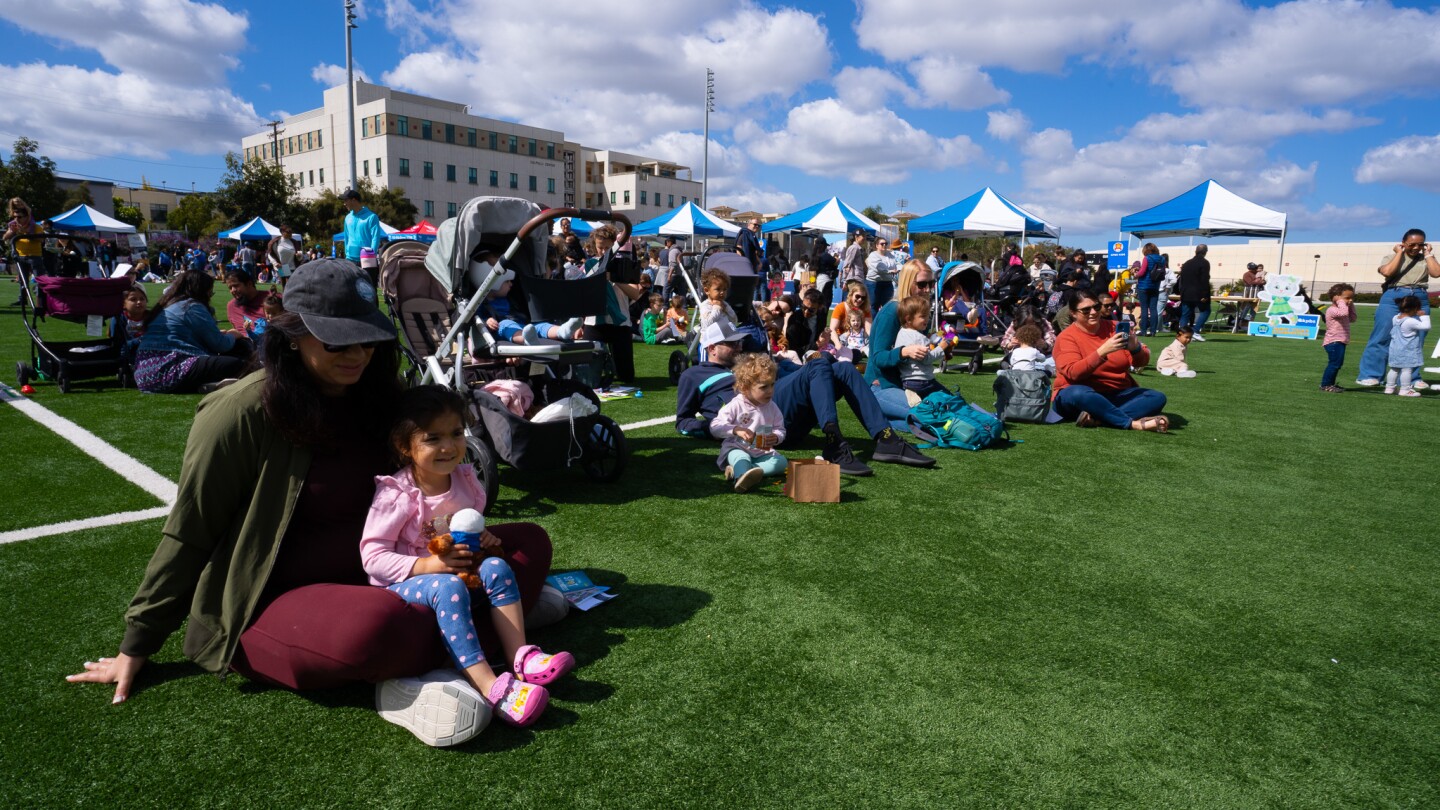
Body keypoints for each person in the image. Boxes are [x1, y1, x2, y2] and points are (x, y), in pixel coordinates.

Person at [67, 260, 562, 742]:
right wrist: (139, 642)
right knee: (375, 629)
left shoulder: (380, 399)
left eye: (368, 339)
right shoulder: (240, 412)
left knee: (527, 545)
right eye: (336, 341)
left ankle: (478, 635)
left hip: (393, 574)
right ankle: (474, 643)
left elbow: (425, 488)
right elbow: (190, 531)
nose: (358, 354)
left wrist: (448, 544)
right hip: (284, 599)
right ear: (291, 334)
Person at [361, 386, 573, 735]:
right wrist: (424, 566)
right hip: (408, 584)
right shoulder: (397, 494)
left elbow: (469, 525)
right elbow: (373, 557)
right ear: (405, 447)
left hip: (462, 572)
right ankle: (489, 685)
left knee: (497, 566)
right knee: (446, 587)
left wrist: (484, 538)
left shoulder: (464, 477)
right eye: (433, 438)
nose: (449, 446)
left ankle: (520, 655)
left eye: (456, 433)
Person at [677, 320, 934, 475]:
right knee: (819, 364)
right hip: (757, 420)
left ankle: (885, 438)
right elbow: (683, 421)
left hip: (781, 410)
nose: (738, 347)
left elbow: (797, 373)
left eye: (738, 342)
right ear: (711, 348)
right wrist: (721, 428)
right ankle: (834, 441)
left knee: (842, 368)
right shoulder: (694, 375)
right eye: (730, 344)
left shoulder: (747, 362)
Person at [1051, 292, 1169, 431]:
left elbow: (1140, 363)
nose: (1093, 312)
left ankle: (1099, 419)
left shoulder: (1115, 327)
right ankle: (1132, 424)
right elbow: (1073, 373)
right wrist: (1102, 352)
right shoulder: (1067, 337)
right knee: (1077, 393)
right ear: (1073, 313)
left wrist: (1135, 349)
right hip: (1080, 395)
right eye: (1086, 310)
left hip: (1116, 392)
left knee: (1157, 397)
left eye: (1096, 307)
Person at [133, 271, 253, 394]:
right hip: (171, 369)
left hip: (145, 375)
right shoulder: (191, 306)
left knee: (223, 362)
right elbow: (221, 345)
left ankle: (209, 383)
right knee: (239, 364)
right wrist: (233, 334)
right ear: (202, 290)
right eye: (210, 292)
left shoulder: (167, 304)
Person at [1356, 228, 1439, 387]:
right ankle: (1370, 375)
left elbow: (1436, 273)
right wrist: (1399, 253)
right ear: (1403, 243)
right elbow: (1387, 272)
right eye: (1411, 244)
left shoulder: (1426, 258)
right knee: (1382, 336)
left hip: (1419, 296)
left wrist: (1428, 254)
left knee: (1416, 339)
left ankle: (1411, 378)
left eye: (1420, 244)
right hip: (1394, 295)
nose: (1416, 248)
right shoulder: (1391, 257)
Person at [709, 352, 788, 493]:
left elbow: (780, 429)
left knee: (782, 463)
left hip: (761, 452)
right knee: (741, 456)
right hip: (737, 447)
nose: (770, 391)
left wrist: (776, 437)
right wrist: (735, 429)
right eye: (764, 387)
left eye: (772, 385)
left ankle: (747, 472)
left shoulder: (773, 407)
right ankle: (741, 477)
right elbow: (715, 426)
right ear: (745, 388)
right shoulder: (736, 405)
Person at [893, 295, 948, 400]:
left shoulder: (901, 332)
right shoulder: (919, 337)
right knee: (947, 397)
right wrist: (941, 348)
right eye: (923, 316)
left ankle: (912, 393)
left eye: (928, 315)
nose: (927, 319)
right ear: (908, 319)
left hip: (907, 380)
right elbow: (927, 359)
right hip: (923, 381)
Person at [1385, 295, 1430, 397]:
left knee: (1394, 369)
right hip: (1407, 349)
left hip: (1394, 348)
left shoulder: (1395, 318)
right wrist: (1424, 316)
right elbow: (1426, 326)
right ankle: (1405, 389)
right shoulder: (1410, 321)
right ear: (1414, 308)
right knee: (1407, 369)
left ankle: (1389, 388)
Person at [3, 197, 44, 302]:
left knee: (39, 280)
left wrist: (26, 232)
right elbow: (4, 237)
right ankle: (22, 299)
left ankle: (40, 303)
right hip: (20, 256)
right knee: (22, 281)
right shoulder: (14, 225)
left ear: (26, 217)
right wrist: (12, 232)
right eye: (15, 217)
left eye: (20, 217)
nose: (17, 219)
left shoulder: (35, 226)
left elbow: (41, 239)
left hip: (34, 256)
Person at [1320, 283, 1356, 393]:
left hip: (1340, 341)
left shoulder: (1343, 309)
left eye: (1352, 298)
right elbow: (1344, 313)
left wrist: (1351, 305)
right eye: (1347, 298)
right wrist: (1340, 301)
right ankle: (1325, 384)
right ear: (1336, 297)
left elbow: (1353, 318)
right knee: (1334, 364)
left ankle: (1331, 383)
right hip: (1333, 342)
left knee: (1337, 364)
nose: (1350, 300)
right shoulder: (1332, 310)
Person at [342, 189, 383, 281]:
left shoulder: (372, 217)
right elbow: (346, 237)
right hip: (350, 259)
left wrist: (371, 256)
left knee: (370, 288)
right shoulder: (347, 218)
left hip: (367, 259)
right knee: (350, 289)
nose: (344, 204)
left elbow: (375, 238)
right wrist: (346, 254)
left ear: (354, 200)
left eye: (346, 200)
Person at [1177, 245, 1211, 341]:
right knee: (1205, 311)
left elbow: (1182, 280)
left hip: (1186, 293)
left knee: (1185, 314)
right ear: (1205, 252)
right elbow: (1204, 279)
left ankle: (1182, 334)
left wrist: (1181, 293)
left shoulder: (1187, 263)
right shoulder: (1204, 263)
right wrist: (1205, 294)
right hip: (1199, 293)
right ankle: (1195, 331)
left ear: (1195, 251)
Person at [224, 266, 271, 335]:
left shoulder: (271, 298)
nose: (233, 290)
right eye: (230, 288)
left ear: (249, 284)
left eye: (236, 286)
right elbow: (236, 328)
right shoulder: (232, 306)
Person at [1133, 243, 1166, 336]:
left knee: (1144, 309)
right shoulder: (1162, 259)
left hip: (1143, 286)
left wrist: (1136, 274)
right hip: (1155, 286)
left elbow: (1142, 272)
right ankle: (1153, 331)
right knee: (1153, 309)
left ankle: (1143, 330)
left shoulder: (1147, 258)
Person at [698, 266, 738, 332]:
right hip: (711, 339)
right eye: (718, 289)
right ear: (707, 290)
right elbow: (707, 324)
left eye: (724, 289)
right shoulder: (705, 305)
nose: (722, 292)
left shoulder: (724, 304)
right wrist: (716, 308)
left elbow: (734, 321)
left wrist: (727, 309)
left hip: (725, 336)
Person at [865, 237, 898, 309]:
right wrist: (889, 271)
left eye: (886, 243)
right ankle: (874, 320)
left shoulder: (890, 255)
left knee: (888, 306)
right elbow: (878, 268)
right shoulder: (873, 255)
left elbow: (895, 265)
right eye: (882, 244)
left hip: (887, 283)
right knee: (874, 306)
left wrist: (897, 269)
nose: (884, 245)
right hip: (874, 283)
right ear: (877, 245)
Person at [267, 224, 299, 291]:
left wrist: (299, 256)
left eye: (291, 232)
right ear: (282, 232)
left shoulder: (294, 242)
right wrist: (275, 263)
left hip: (293, 267)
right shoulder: (276, 242)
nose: (290, 234)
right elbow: (269, 254)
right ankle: (285, 300)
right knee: (285, 288)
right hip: (281, 267)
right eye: (288, 232)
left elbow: (299, 257)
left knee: (291, 287)